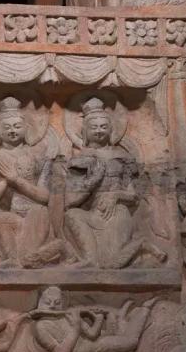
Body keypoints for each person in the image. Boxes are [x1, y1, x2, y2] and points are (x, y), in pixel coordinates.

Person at [64, 97, 165, 268]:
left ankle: (142, 244)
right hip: (92, 214)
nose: (99, 131)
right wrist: (93, 181)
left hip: (116, 211)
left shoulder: (122, 158)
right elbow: (70, 201)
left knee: (111, 264)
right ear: (85, 132)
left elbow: (134, 196)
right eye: (94, 127)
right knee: (72, 215)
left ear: (111, 130)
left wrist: (116, 195)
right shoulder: (80, 159)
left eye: (103, 127)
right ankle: (89, 259)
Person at [0, 96, 62, 268]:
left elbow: (44, 197)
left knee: (39, 210)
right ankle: (13, 259)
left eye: (17, 126)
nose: (12, 131)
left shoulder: (39, 157)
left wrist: (16, 180)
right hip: (14, 218)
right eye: (7, 127)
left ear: (26, 129)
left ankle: (32, 256)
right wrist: (4, 181)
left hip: (36, 216)